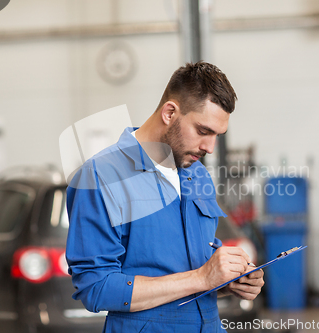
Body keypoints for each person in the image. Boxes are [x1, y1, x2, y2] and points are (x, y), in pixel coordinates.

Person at [65, 61, 264, 332]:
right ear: (170, 112)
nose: (210, 147)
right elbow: (96, 288)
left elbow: (198, 265)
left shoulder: (197, 175)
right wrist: (201, 278)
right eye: (203, 131)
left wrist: (229, 279)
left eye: (218, 135)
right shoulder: (99, 177)